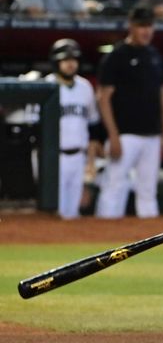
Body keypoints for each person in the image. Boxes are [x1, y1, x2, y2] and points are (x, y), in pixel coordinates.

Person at [95, 6, 163, 219]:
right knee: (114, 185)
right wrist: (113, 136)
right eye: (142, 26)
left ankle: (149, 241)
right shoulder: (116, 56)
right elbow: (103, 98)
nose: (146, 31)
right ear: (131, 26)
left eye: (149, 26)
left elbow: (162, 96)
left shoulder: (154, 55)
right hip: (125, 134)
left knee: (148, 191)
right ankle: (102, 237)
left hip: (151, 135)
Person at [45, 39, 101, 219]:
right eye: (65, 60)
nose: (70, 64)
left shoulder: (85, 87)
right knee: (53, 212)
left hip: (79, 156)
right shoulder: (46, 85)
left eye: (73, 59)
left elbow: (93, 125)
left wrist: (90, 161)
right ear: (56, 62)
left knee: (73, 213)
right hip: (53, 157)